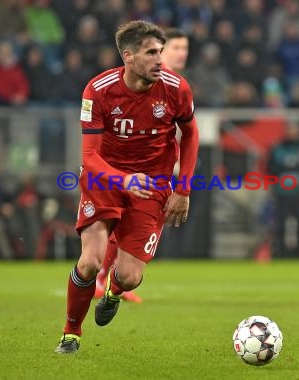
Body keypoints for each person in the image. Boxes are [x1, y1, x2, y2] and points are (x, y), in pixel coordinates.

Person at [55, 20, 199, 354]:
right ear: (128, 56)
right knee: (90, 261)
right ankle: (71, 333)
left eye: (161, 52)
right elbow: (89, 157)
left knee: (130, 276)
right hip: (104, 180)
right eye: (152, 53)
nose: (160, 60)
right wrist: (123, 179)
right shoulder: (98, 90)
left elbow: (190, 134)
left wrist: (184, 188)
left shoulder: (177, 88)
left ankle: (114, 292)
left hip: (152, 184)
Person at [93, 27, 190, 301]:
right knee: (117, 222)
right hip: (123, 171)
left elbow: (186, 131)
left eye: (185, 48)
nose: (181, 54)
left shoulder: (176, 85)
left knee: (133, 248)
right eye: (175, 48)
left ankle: (116, 279)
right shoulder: (146, 77)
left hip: (159, 167)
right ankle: (103, 278)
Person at [267, 122, 299, 259]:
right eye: (289, 129)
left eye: (295, 129)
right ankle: (282, 254)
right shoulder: (278, 148)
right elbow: (271, 168)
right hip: (282, 193)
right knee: (281, 225)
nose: (292, 132)